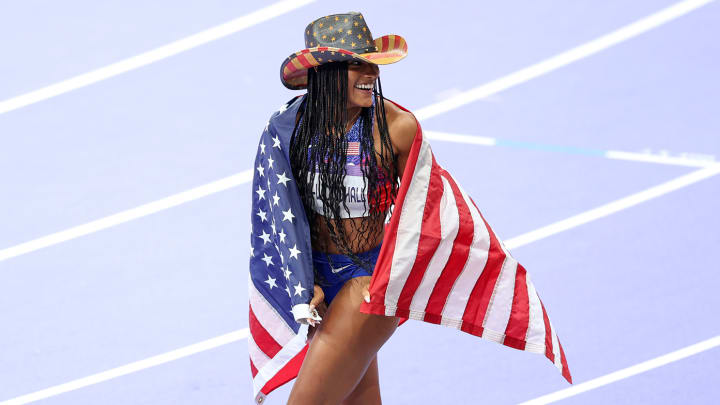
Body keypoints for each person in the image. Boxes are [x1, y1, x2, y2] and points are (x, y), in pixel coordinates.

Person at [277, 12, 416, 404]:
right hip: (321, 288)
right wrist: (304, 282)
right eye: (356, 62)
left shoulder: (396, 128)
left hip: (366, 285)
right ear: (326, 72)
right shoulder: (293, 128)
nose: (369, 70)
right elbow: (282, 214)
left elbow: (425, 214)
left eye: (370, 60)